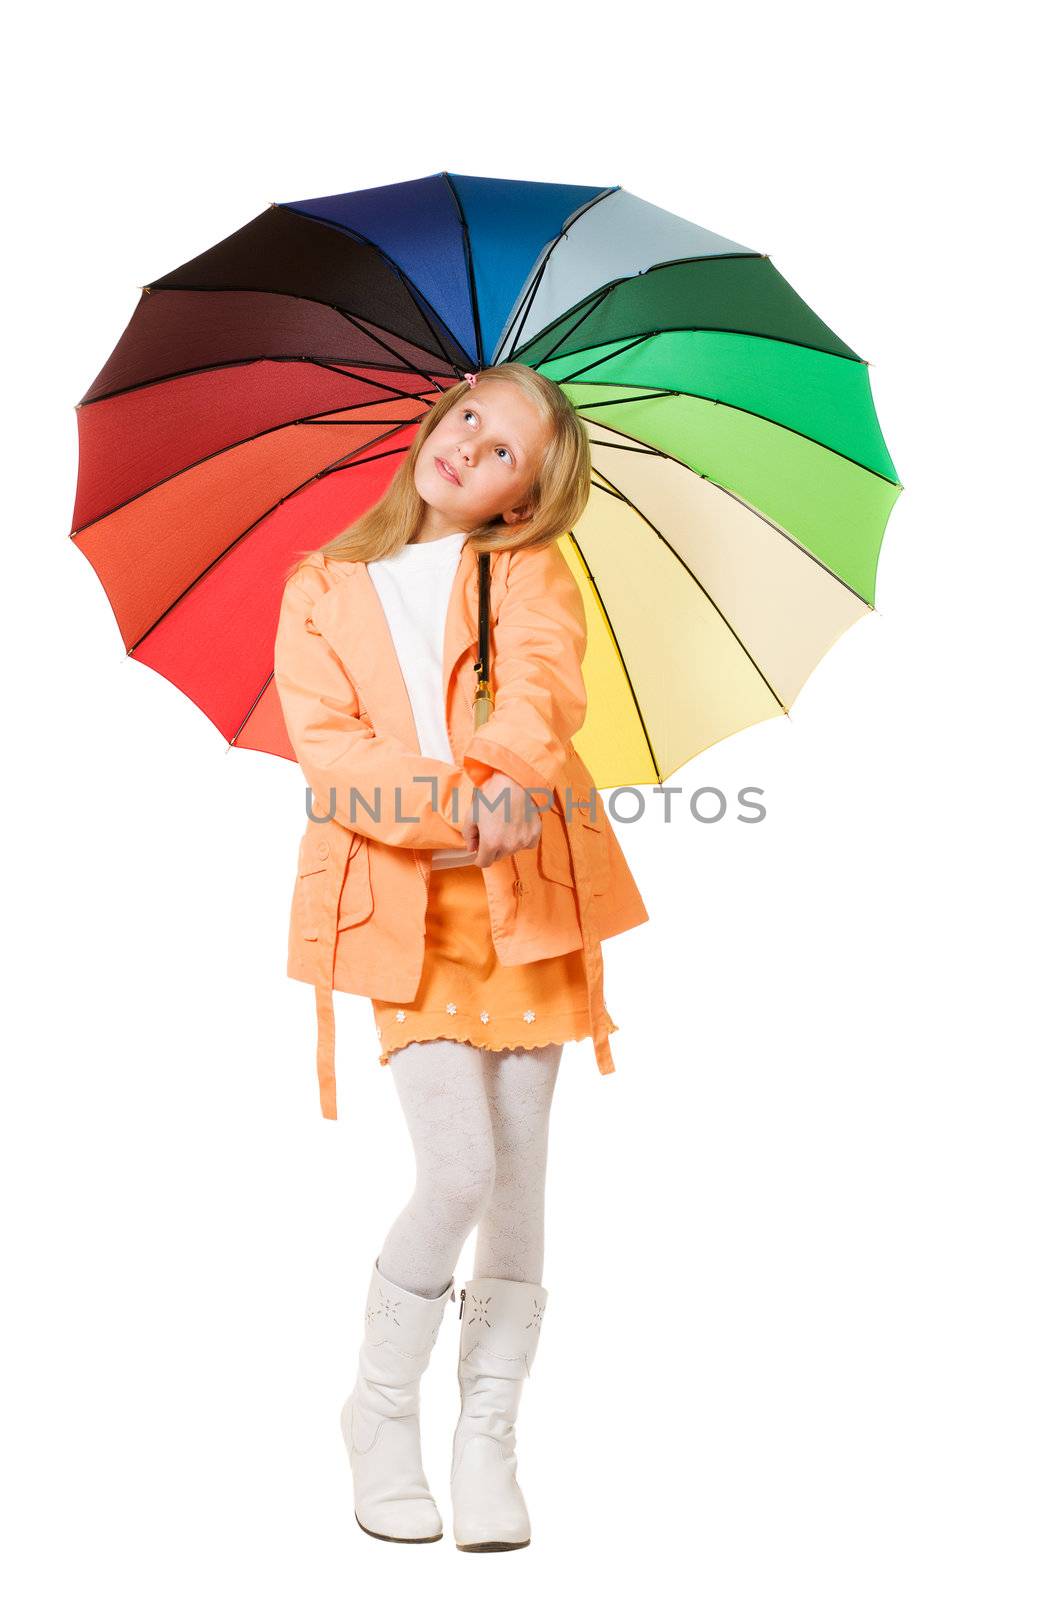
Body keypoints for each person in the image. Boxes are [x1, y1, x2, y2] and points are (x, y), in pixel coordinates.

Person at [273, 363, 648, 1552]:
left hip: (526, 903)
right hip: (405, 912)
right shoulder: (324, 586)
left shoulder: (526, 574)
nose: (472, 448)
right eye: (468, 417)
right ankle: (378, 1411)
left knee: (521, 1180)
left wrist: (508, 779)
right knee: (459, 1170)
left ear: (520, 500)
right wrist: (451, 802)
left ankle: (487, 1434)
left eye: (505, 455)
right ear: (433, 418)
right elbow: (330, 754)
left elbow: (542, 687)